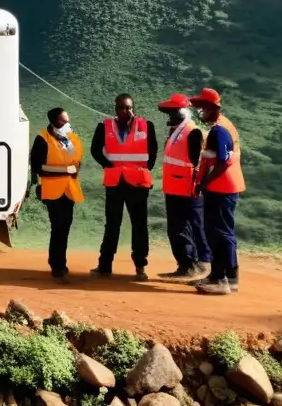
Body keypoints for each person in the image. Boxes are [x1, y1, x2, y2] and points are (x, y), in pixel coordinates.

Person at [90, 93, 158, 281]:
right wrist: (107, 165)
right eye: (121, 107)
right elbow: (95, 150)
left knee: (139, 225)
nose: (125, 111)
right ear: (115, 108)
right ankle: (104, 266)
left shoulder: (146, 125)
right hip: (115, 183)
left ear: (133, 107)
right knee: (112, 224)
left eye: (128, 107)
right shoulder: (104, 126)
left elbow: (153, 152)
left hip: (138, 183)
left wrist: (143, 170)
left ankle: (140, 266)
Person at [189, 88, 245, 296]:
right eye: (198, 107)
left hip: (220, 187)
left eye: (203, 107)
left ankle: (220, 280)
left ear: (214, 108)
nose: (200, 111)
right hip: (228, 187)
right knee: (225, 232)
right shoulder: (224, 125)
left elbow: (222, 161)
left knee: (217, 233)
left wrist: (204, 183)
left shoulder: (218, 130)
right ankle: (228, 276)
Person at [156, 93, 211, 280]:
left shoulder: (192, 132)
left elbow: (197, 163)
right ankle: (185, 265)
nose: (169, 116)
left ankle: (196, 265)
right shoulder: (176, 132)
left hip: (186, 189)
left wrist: (196, 185)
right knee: (176, 228)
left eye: (172, 112)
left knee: (191, 226)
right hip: (174, 188)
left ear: (181, 112)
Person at [29, 107, 84, 285]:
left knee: (65, 227)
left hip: (69, 190)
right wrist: (64, 170)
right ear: (54, 122)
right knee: (58, 227)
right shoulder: (42, 138)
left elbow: (78, 160)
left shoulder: (72, 137)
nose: (67, 124)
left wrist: (75, 168)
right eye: (62, 121)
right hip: (52, 190)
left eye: (67, 120)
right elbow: (37, 165)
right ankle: (57, 268)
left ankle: (61, 264)